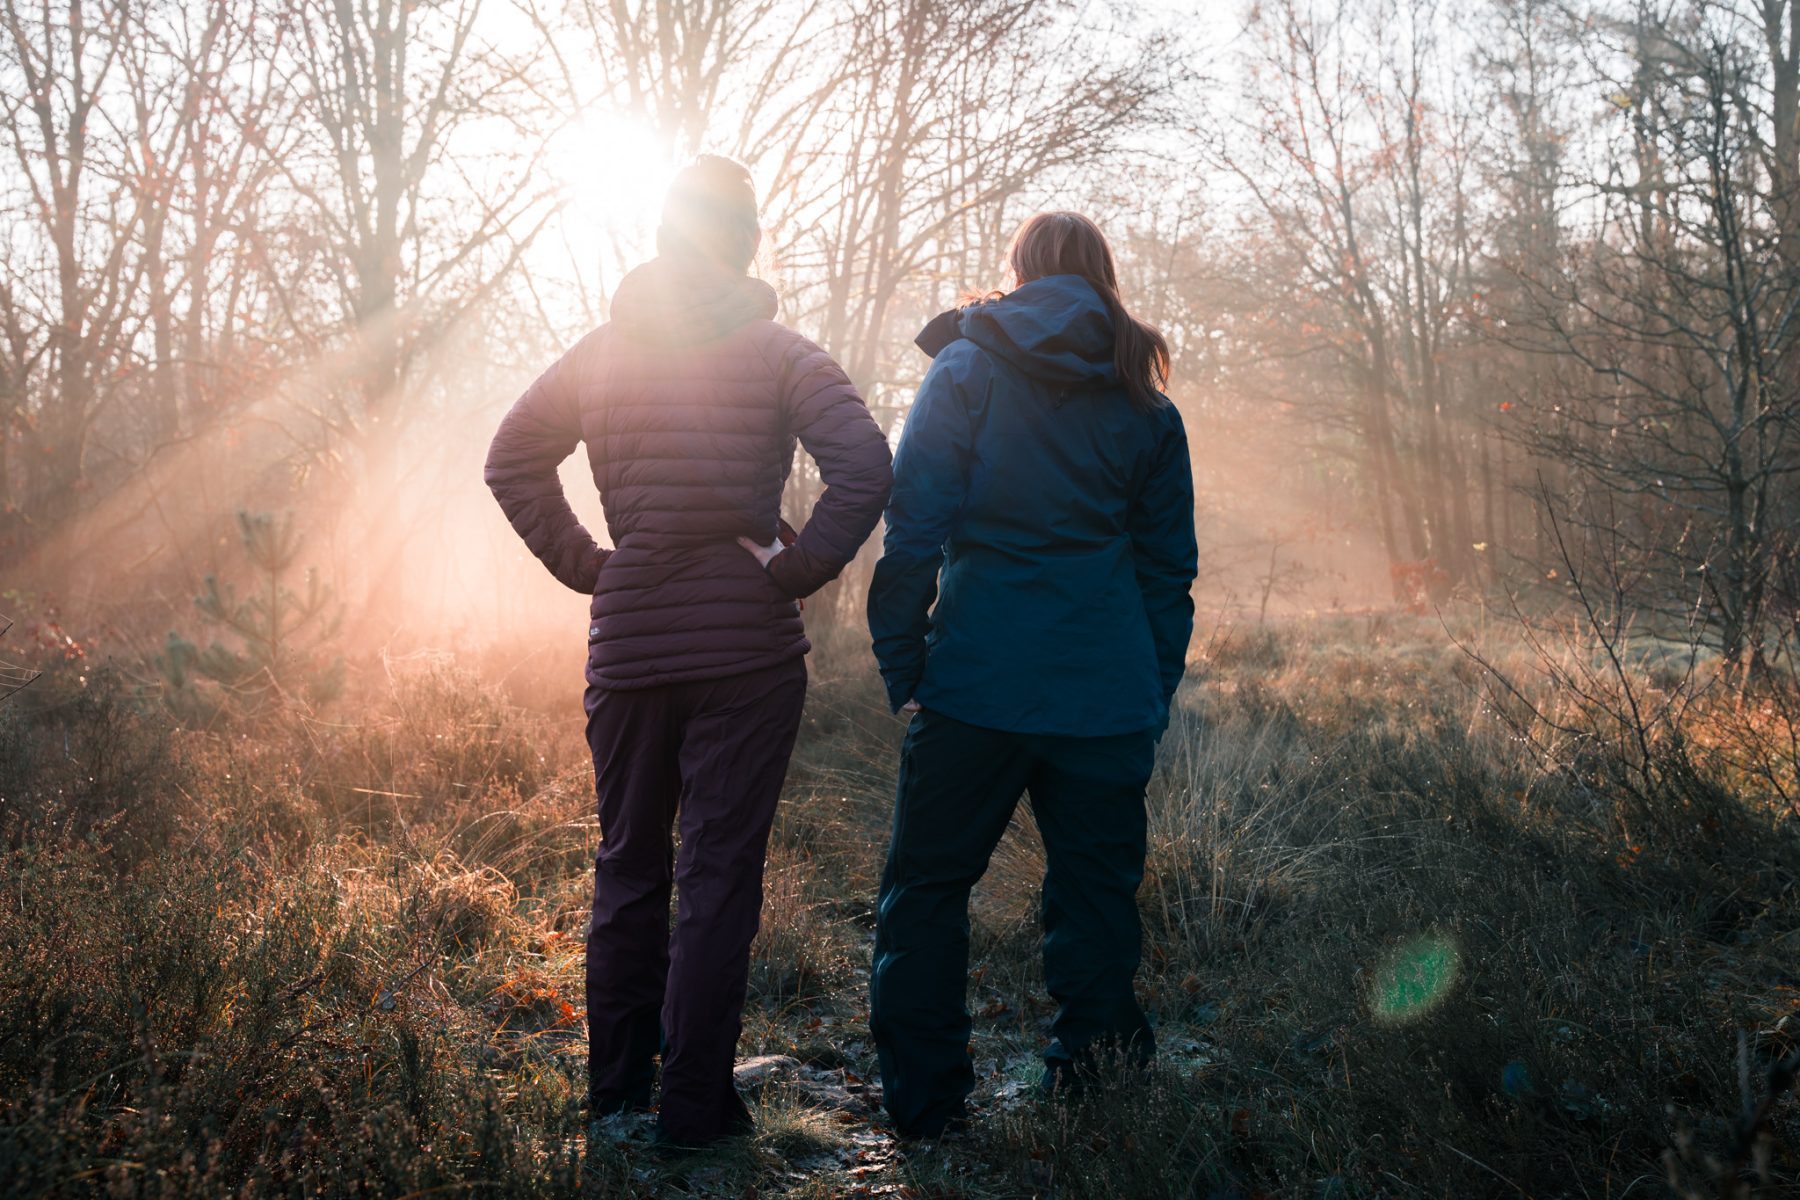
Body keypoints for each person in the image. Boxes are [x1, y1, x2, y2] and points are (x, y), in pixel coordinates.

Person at [484, 155, 892, 1147]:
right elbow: (867, 466)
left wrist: (594, 566)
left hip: (629, 647)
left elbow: (510, 460)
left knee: (628, 867)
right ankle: (695, 1110)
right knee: (716, 877)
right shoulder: (780, 353)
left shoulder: (599, 355)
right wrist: (794, 572)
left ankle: (617, 1097)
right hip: (746, 650)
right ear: (747, 243)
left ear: (664, 240)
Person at [866, 210, 1197, 1140]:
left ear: (1018, 273)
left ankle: (929, 1109)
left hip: (975, 682)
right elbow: (1168, 569)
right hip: (1103, 693)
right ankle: (1095, 1096)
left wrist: (906, 664)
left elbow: (914, 528)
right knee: (1095, 897)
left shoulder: (967, 367)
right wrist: (1151, 685)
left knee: (927, 888)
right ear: (1103, 277)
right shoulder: (1145, 397)